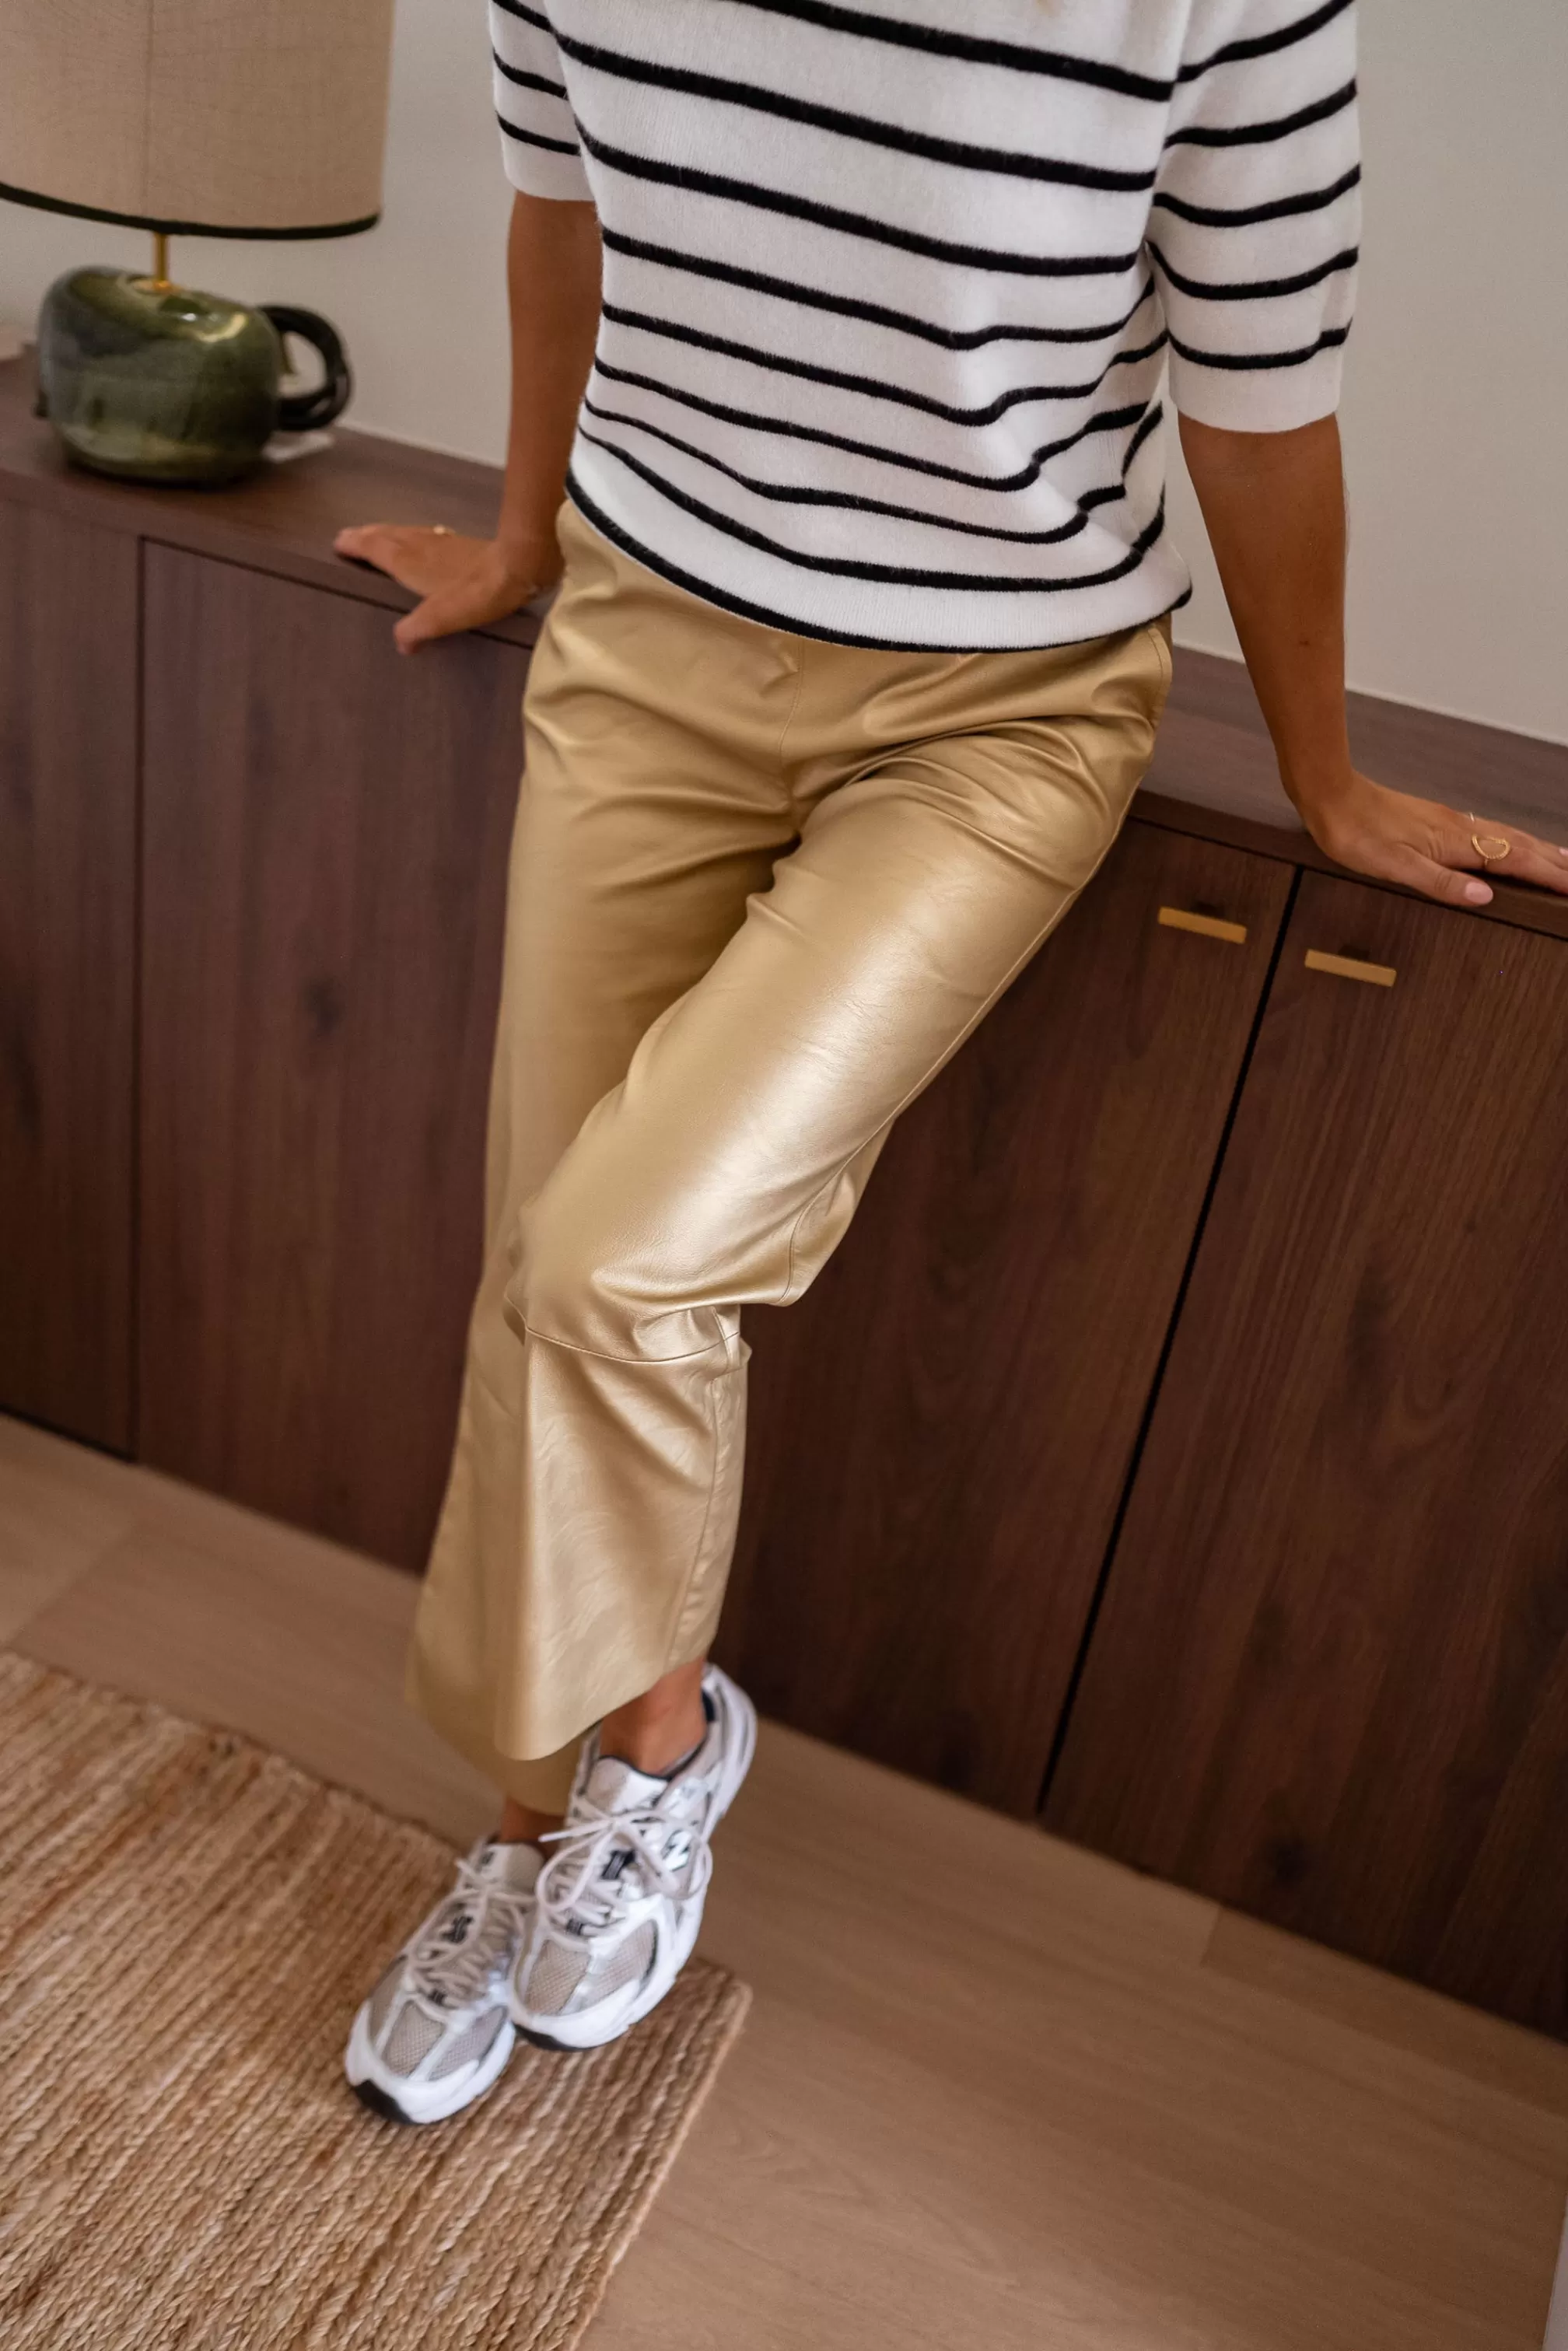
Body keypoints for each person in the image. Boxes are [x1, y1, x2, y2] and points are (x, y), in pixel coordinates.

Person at [338, 0, 1568, 2125]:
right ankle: (532, 1830)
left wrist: (1326, 771)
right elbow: (566, 214)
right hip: (643, 641)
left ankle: (656, 1758)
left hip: (997, 704)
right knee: (536, 1252)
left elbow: (1259, 404)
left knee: (617, 1260)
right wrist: (527, 539)